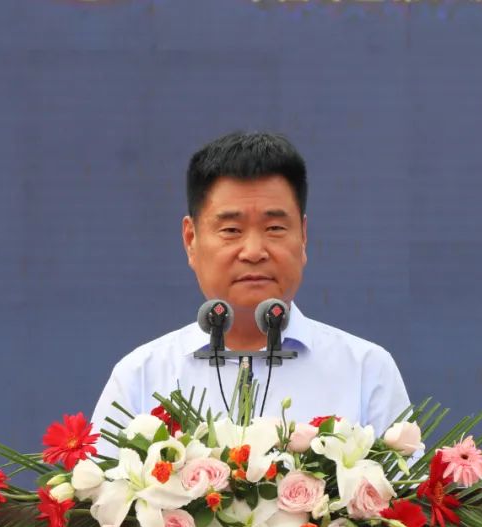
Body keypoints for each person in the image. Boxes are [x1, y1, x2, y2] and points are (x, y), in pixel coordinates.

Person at [90, 130, 411, 438]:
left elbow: (404, 478)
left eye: (274, 228)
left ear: (303, 237)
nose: (254, 251)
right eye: (231, 230)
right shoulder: (142, 377)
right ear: (190, 240)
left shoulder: (365, 371)